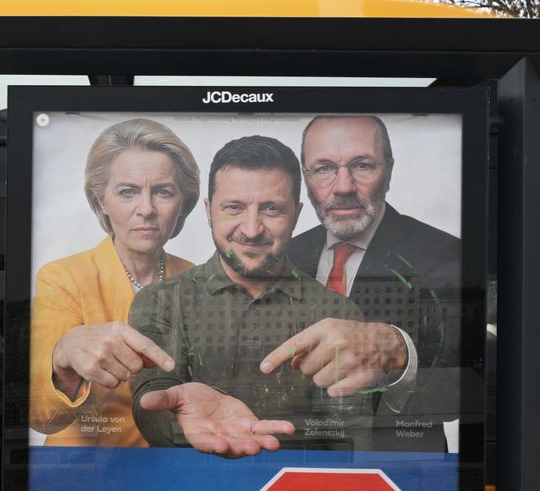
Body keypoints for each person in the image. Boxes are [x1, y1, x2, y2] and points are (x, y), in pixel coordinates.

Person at [129, 135, 387, 458]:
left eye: (272, 209)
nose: (251, 229)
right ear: (209, 210)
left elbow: (348, 442)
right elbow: (150, 406)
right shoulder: (159, 302)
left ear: (296, 214)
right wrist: (184, 421)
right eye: (234, 207)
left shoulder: (337, 314)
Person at [285, 114, 463, 443]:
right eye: (324, 168)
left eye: (362, 165)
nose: (343, 187)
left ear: (390, 171)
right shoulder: (285, 255)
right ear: (304, 177)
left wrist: (399, 357)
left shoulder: (444, 253)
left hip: (395, 469)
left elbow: (466, 383)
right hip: (291, 460)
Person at [29, 118, 200, 446]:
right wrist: (63, 360)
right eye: (128, 192)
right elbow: (39, 414)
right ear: (101, 201)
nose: (146, 209)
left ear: (184, 202)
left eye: (163, 191)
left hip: (177, 475)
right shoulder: (63, 278)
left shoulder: (195, 276)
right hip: (90, 480)